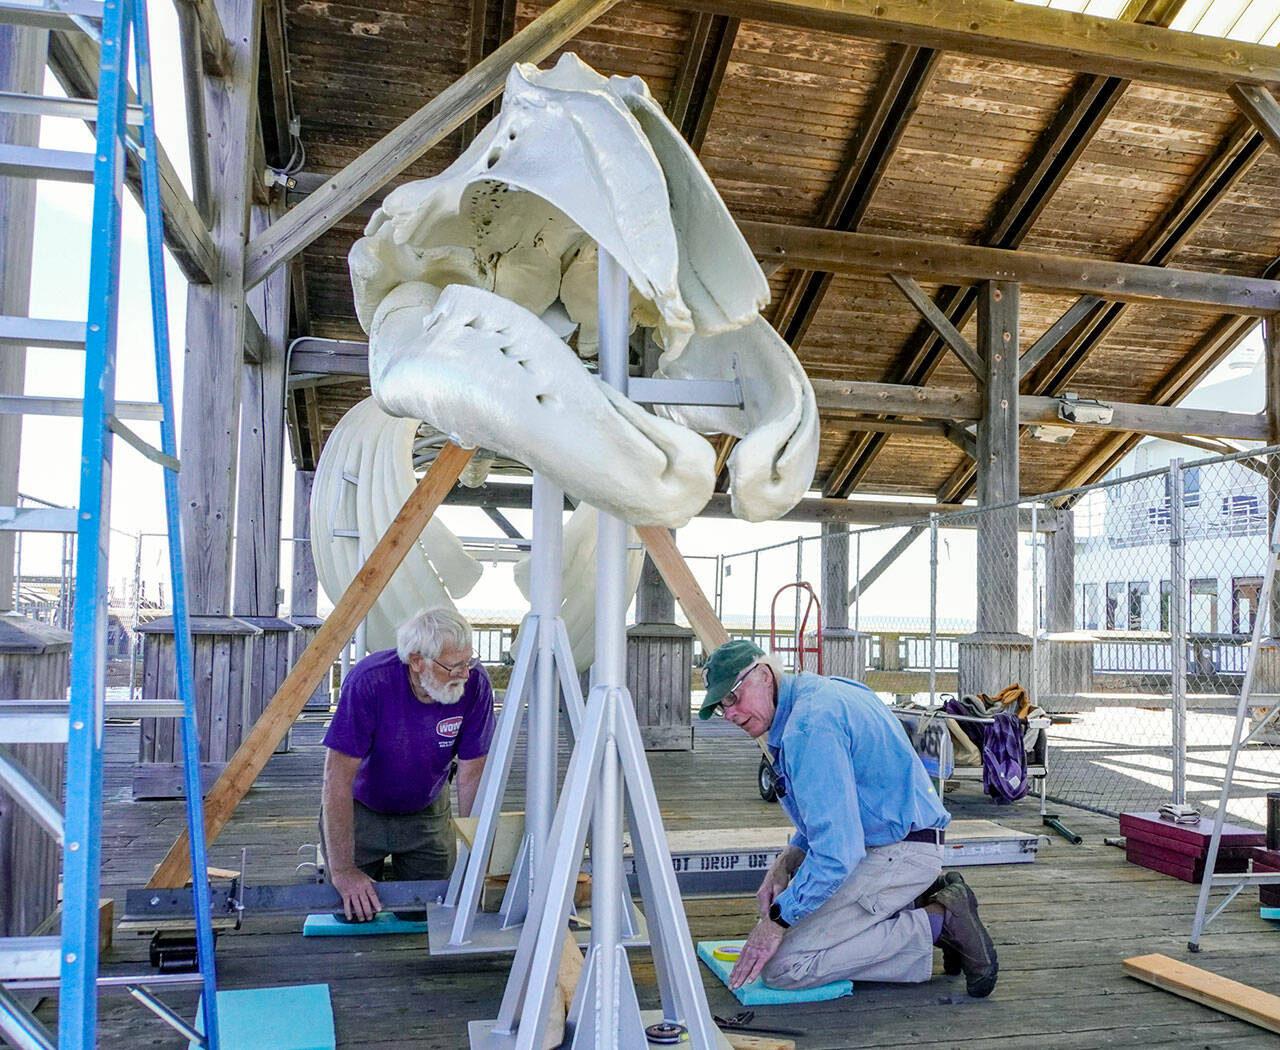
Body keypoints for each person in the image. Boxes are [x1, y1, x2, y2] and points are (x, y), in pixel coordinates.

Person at [698, 639, 998, 998]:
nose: (729, 713)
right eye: (720, 706)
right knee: (789, 922)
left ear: (763, 675)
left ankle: (938, 921)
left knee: (783, 966)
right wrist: (787, 859)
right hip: (897, 840)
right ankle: (909, 901)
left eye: (732, 697)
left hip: (898, 850)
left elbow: (838, 852)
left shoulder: (809, 728)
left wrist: (777, 921)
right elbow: (837, 808)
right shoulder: (820, 693)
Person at [321, 607, 495, 921]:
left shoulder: (475, 684)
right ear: (416, 661)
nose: (465, 674)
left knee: (427, 912)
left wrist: (481, 859)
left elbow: (473, 772)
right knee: (351, 911)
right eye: (454, 665)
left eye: (469, 661)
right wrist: (343, 869)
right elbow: (336, 779)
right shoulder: (368, 681)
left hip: (426, 806)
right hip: (363, 806)